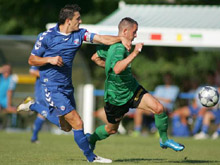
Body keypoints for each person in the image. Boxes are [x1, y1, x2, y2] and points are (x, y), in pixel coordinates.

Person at [17, 4, 131, 163]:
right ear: (68, 20)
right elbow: (32, 59)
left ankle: (34, 105)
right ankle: (91, 158)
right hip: (51, 87)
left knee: (66, 127)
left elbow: (101, 38)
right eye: (78, 18)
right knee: (78, 122)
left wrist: (122, 38)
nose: (81, 21)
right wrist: (49, 59)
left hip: (67, 87)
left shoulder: (79, 34)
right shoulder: (46, 36)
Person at [87, 17, 184, 153]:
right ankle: (91, 139)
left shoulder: (115, 44)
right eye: (134, 31)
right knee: (111, 129)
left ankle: (164, 139)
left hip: (132, 89)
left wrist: (111, 68)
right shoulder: (118, 48)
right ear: (125, 31)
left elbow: (95, 58)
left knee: (159, 108)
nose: (136, 35)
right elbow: (117, 69)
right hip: (116, 97)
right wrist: (135, 53)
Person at [171, 70, 216, 137]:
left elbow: (216, 104)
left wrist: (205, 108)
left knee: (202, 111)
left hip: (209, 109)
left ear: (214, 78)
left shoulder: (216, 89)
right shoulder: (201, 88)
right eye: (208, 77)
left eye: (210, 77)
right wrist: (193, 109)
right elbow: (195, 102)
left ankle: (194, 133)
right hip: (197, 108)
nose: (209, 79)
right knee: (178, 112)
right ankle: (179, 133)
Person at [29, 66, 46, 143]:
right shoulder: (40, 56)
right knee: (42, 112)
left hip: (52, 90)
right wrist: (49, 75)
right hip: (41, 91)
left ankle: (34, 136)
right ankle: (34, 136)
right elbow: (32, 71)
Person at [0, 64, 17, 128]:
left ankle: (12, 126)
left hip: (5, 101)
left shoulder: (11, 79)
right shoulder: (1, 77)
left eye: (8, 69)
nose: (6, 70)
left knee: (13, 110)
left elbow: (9, 93)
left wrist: (9, 105)